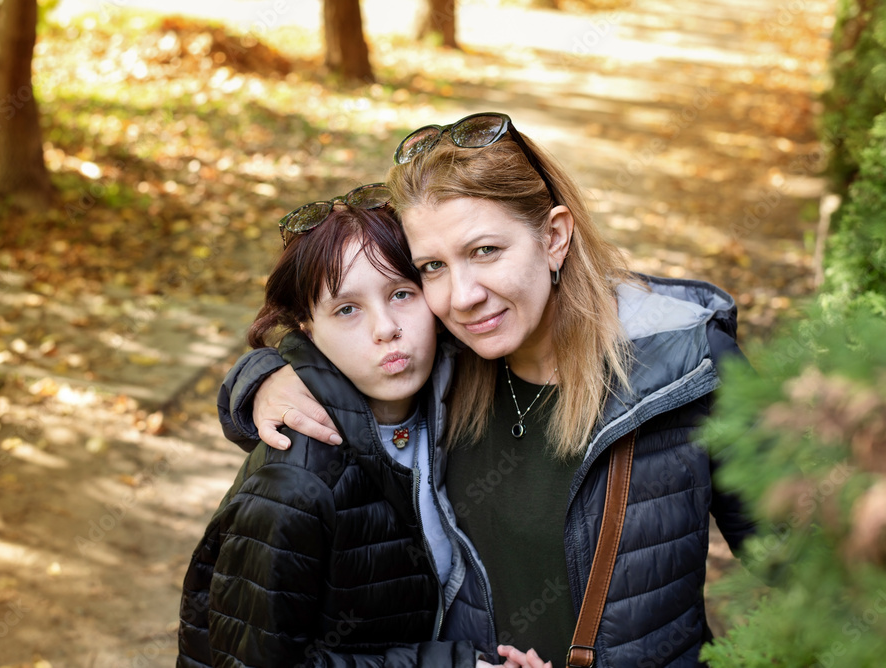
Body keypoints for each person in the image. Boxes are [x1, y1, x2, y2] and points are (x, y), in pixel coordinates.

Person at [216, 113, 756, 668]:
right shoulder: (443, 365)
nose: (462, 296)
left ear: (553, 237)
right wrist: (259, 380)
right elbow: (339, 350)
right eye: (432, 266)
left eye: (485, 252)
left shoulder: (686, 368)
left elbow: (814, 573)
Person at [175, 186, 482, 667]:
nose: (386, 328)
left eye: (402, 293)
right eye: (347, 309)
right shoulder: (296, 482)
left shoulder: (461, 397)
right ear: (307, 327)